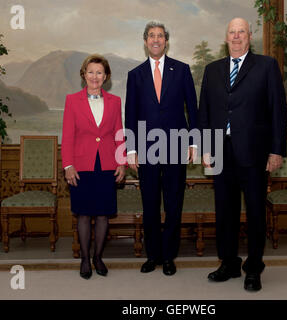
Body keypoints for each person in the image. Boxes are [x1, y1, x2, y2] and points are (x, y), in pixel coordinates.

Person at [198, 17, 287, 291]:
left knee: (256, 212)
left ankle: (254, 268)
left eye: (241, 32)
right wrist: (203, 147)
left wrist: (276, 150)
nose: (236, 37)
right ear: (226, 38)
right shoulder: (212, 70)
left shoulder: (266, 66)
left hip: (255, 152)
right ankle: (228, 263)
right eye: (232, 32)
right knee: (225, 211)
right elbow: (204, 112)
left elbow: (278, 112)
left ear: (250, 36)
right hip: (219, 153)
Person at [125, 21, 198, 276]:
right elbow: (130, 114)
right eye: (151, 36)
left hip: (177, 146)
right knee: (150, 204)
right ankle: (152, 255)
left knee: (174, 204)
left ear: (166, 41)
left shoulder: (182, 70)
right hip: (146, 149)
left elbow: (193, 109)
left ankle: (169, 257)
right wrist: (131, 149)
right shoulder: (135, 75)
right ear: (145, 41)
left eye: (160, 36)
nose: (156, 40)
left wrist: (193, 142)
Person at [62, 54, 126, 280]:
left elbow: (119, 133)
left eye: (100, 72)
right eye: (91, 71)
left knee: (102, 215)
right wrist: (68, 165)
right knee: (83, 214)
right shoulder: (71, 100)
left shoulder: (115, 101)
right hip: (81, 165)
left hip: (107, 165)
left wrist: (122, 161)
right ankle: (85, 259)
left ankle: (98, 257)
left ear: (106, 76)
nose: (95, 76)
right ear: (84, 74)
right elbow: (68, 136)